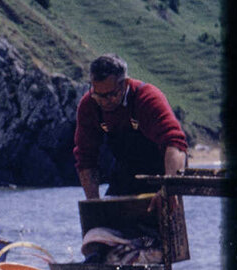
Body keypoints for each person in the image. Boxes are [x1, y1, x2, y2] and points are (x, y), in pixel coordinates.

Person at [73, 54, 187, 199]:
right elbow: (85, 157)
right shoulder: (89, 105)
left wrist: (169, 192)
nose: (104, 102)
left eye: (111, 95)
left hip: (162, 171)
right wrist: (93, 200)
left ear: (125, 83)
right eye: (98, 95)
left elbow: (175, 144)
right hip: (125, 172)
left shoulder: (148, 98)